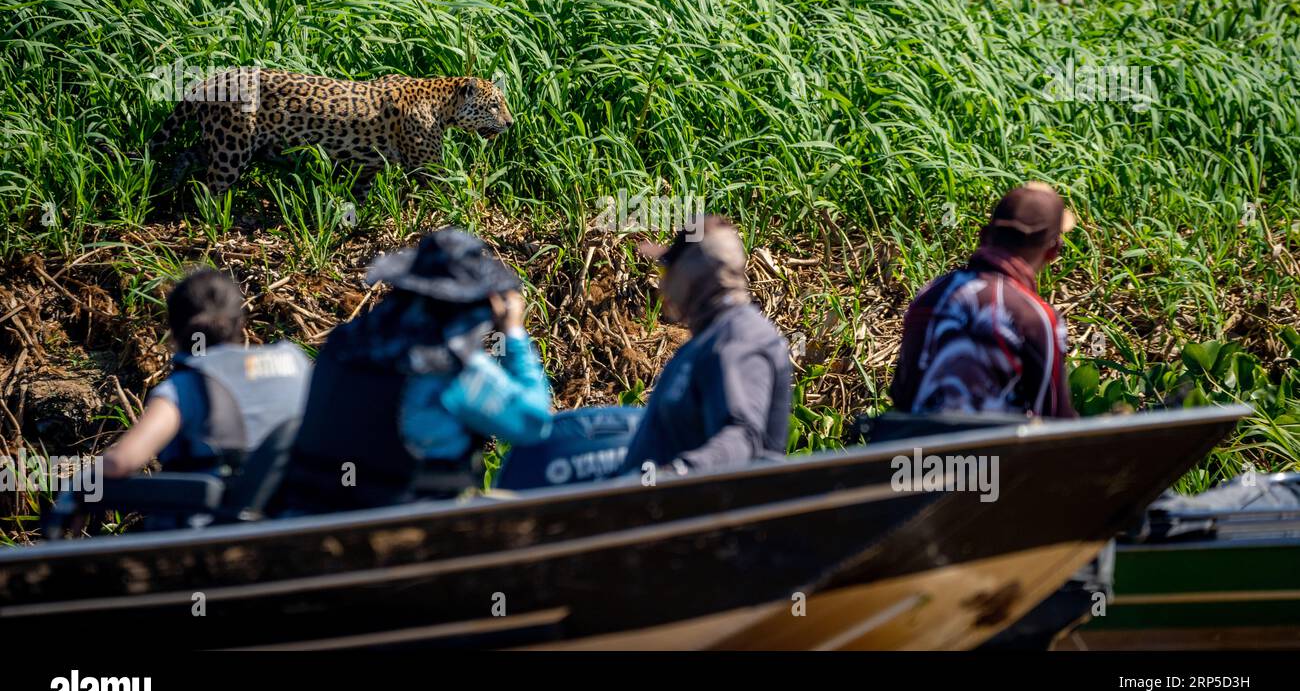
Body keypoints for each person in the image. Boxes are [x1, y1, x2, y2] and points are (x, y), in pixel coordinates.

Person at [274, 228, 552, 513]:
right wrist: (513, 333)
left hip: (304, 519)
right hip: (399, 528)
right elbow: (534, 424)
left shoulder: (343, 344)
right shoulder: (449, 370)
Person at [619, 216, 791, 478]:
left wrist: (675, 474)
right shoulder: (710, 340)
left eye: (667, 270)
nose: (661, 284)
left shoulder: (738, 337)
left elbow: (742, 437)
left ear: (691, 275)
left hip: (690, 510)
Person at [890, 182, 1078, 419]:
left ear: (983, 236)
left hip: (918, 455)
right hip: (994, 456)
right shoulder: (1033, 317)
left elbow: (903, 394)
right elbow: (1054, 417)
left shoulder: (930, 296)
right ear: (1054, 251)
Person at [101, 268, 312, 478]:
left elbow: (119, 462)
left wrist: (77, 493)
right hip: (304, 508)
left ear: (173, 332)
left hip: (219, 509)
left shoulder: (184, 386)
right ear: (240, 323)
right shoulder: (295, 362)